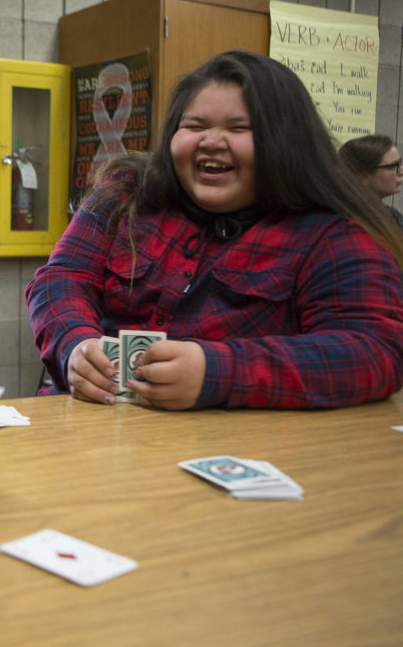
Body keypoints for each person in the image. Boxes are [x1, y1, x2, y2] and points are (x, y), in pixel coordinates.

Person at [25, 50, 403, 411]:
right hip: (89, 431)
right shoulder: (125, 193)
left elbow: (374, 351)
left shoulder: (335, 233)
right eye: (195, 125)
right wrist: (74, 343)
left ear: (287, 144)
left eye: (240, 128)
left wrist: (219, 372)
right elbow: (60, 278)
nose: (211, 141)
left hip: (234, 449)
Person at [338, 134, 403, 229]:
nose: (401, 171)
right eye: (392, 166)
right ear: (363, 176)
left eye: (400, 163)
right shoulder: (342, 222)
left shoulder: (393, 216)